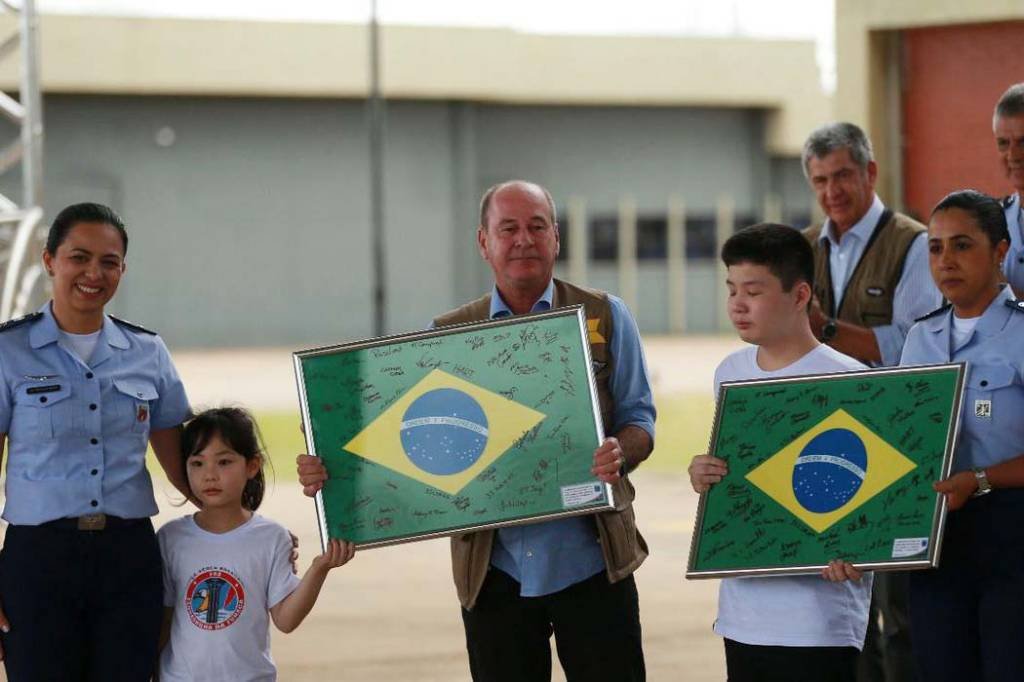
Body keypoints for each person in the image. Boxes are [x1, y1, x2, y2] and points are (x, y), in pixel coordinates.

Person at [299, 179, 655, 681]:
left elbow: (640, 418)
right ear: (483, 243)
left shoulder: (606, 315)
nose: (523, 239)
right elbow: (399, 437)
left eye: (536, 227)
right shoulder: (448, 336)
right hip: (494, 574)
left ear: (556, 238)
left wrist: (621, 449)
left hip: (592, 561)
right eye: (507, 228)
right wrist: (328, 468)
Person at [0, 202, 192, 680]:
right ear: (49, 261)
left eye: (109, 262)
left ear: (123, 269)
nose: (93, 273)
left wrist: (252, 520)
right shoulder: (7, 351)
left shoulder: (148, 352)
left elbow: (189, 470)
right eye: (78, 257)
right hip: (37, 559)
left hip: (127, 560)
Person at [688, 223, 872, 682]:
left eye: (753, 290)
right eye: (731, 289)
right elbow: (740, 479)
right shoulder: (728, 373)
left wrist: (860, 548)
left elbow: (872, 499)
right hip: (744, 615)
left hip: (819, 621)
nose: (737, 304)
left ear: (799, 295)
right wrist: (704, 474)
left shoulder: (851, 381)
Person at [801, 121, 940, 682]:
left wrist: (825, 329)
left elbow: (916, 342)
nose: (831, 191)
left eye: (841, 176)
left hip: (899, 446)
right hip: (827, 446)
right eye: (819, 180)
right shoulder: (806, 247)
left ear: (870, 172)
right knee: (842, 610)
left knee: (899, 611)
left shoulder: (914, 244)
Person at [900, 189, 1024, 682]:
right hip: (935, 540)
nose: (945, 260)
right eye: (935, 248)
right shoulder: (920, 338)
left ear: (1000, 251)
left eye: (962, 245)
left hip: (1012, 537)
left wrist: (979, 478)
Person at [158, 407, 355, 681]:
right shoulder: (171, 538)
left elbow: (286, 620)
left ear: (252, 466)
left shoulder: (271, 537)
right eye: (197, 463)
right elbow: (164, 621)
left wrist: (319, 568)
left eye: (224, 462)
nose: (210, 474)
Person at [992, 83, 1024, 294]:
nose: (1013, 155)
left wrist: (1000, 292)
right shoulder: (991, 220)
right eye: (1003, 143)